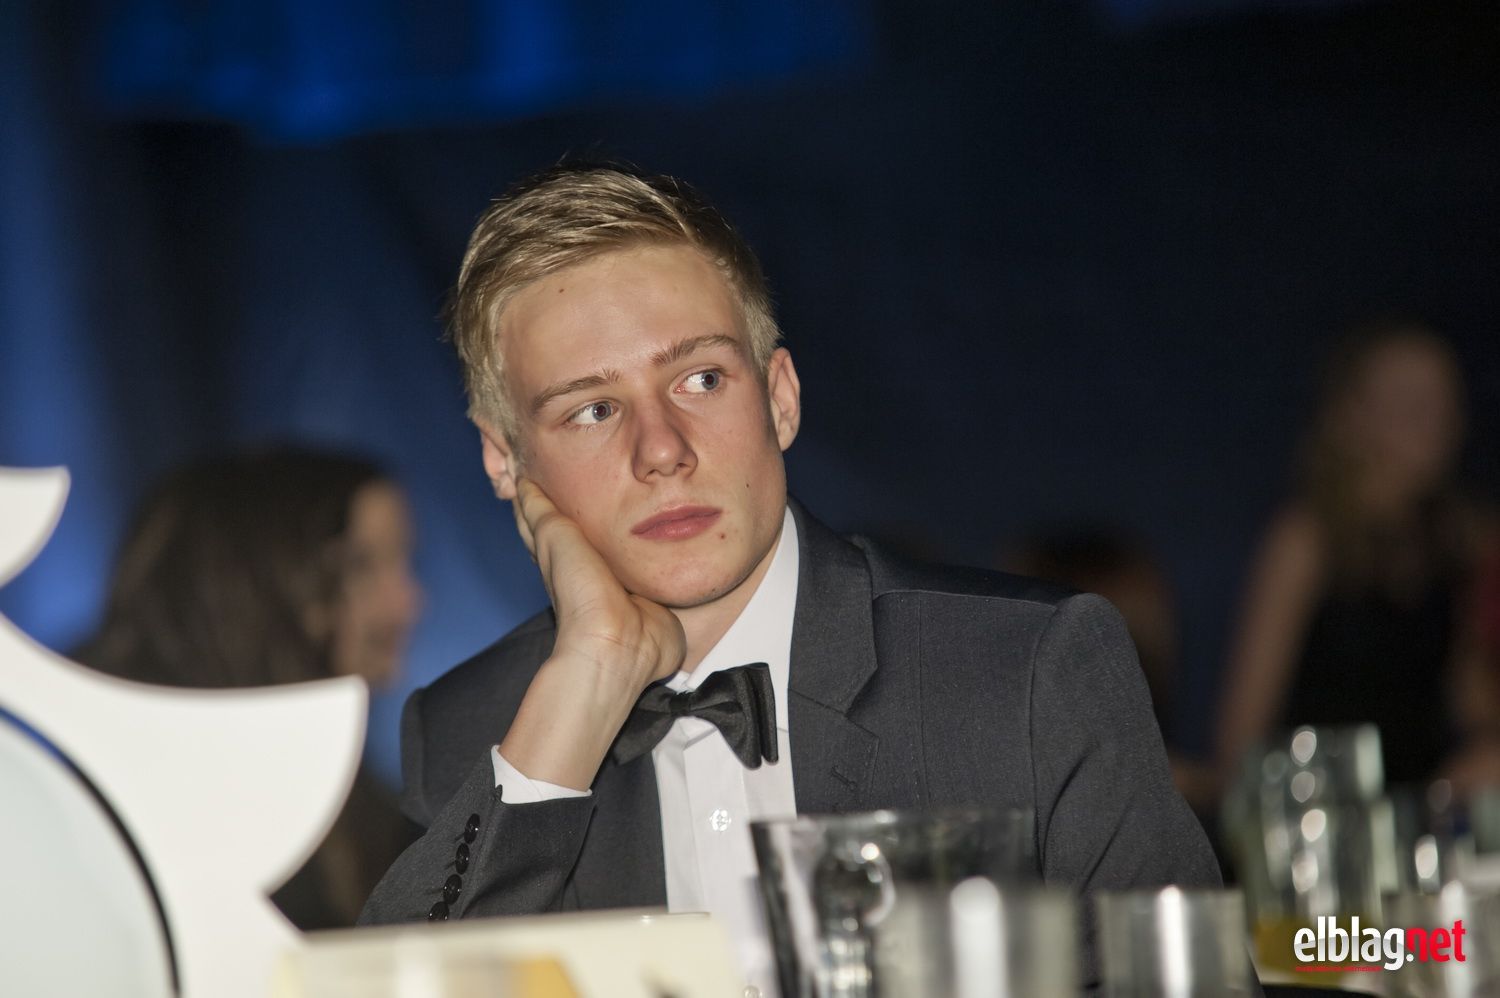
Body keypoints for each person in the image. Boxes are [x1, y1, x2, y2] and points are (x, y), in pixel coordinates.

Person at [359, 164, 1220, 991]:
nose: (662, 450)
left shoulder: (1022, 672)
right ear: (504, 460)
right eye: (593, 409)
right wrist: (573, 708)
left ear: (780, 397)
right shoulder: (473, 733)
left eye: (700, 378)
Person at [78, 447, 424, 929]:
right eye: (360, 566)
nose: (407, 601)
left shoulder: (365, 809)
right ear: (250, 578)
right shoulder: (111, 803)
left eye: (403, 561)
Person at [1213, 322, 1494, 800]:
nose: (1435, 420)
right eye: (1410, 401)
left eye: (1446, 400)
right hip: (1316, 814)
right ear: (1348, 413)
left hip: (1417, 820)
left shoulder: (1456, 543)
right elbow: (1239, 741)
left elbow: (1471, 704)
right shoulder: (1306, 541)